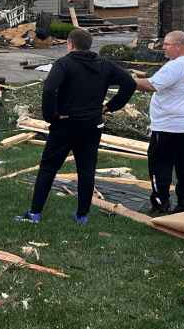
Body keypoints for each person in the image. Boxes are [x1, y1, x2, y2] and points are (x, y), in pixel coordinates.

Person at [17, 27, 136, 224]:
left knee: (48, 168)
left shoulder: (64, 64)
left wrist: (51, 116)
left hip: (65, 124)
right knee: (86, 170)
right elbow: (129, 83)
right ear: (89, 45)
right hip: (91, 125)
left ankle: (35, 213)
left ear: (70, 44)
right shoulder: (104, 65)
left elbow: (49, 89)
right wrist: (109, 107)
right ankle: (82, 215)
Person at [135, 30, 184, 214]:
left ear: (179, 46)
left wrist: (128, 80)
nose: (163, 48)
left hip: (169, 126)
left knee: (160, 164)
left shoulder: (176, 66)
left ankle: (160, 203)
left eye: (166, 44)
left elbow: (151, 85)